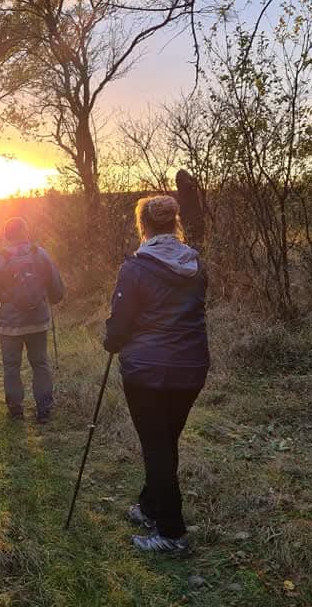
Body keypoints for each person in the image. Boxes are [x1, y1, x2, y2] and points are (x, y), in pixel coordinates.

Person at [103, 195, 209, 555]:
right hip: (192, 368)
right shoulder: (196, 264)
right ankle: (151, 507)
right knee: (166, 441)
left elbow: (120, 324)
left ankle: (172, 534)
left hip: (147, 371)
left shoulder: (134, 268)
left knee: (157, 447)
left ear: (143, 225)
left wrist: (111, 340)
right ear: (174, 223)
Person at [0, 217, 65, 423]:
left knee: (11, 366)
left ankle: (16, 410)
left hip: (10, 325)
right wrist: (50, 299)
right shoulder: (40, 254)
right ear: (26, 232)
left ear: (6, 235)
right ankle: (44, 409)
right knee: (40, 364)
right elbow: (57, 289)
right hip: (38, 321)